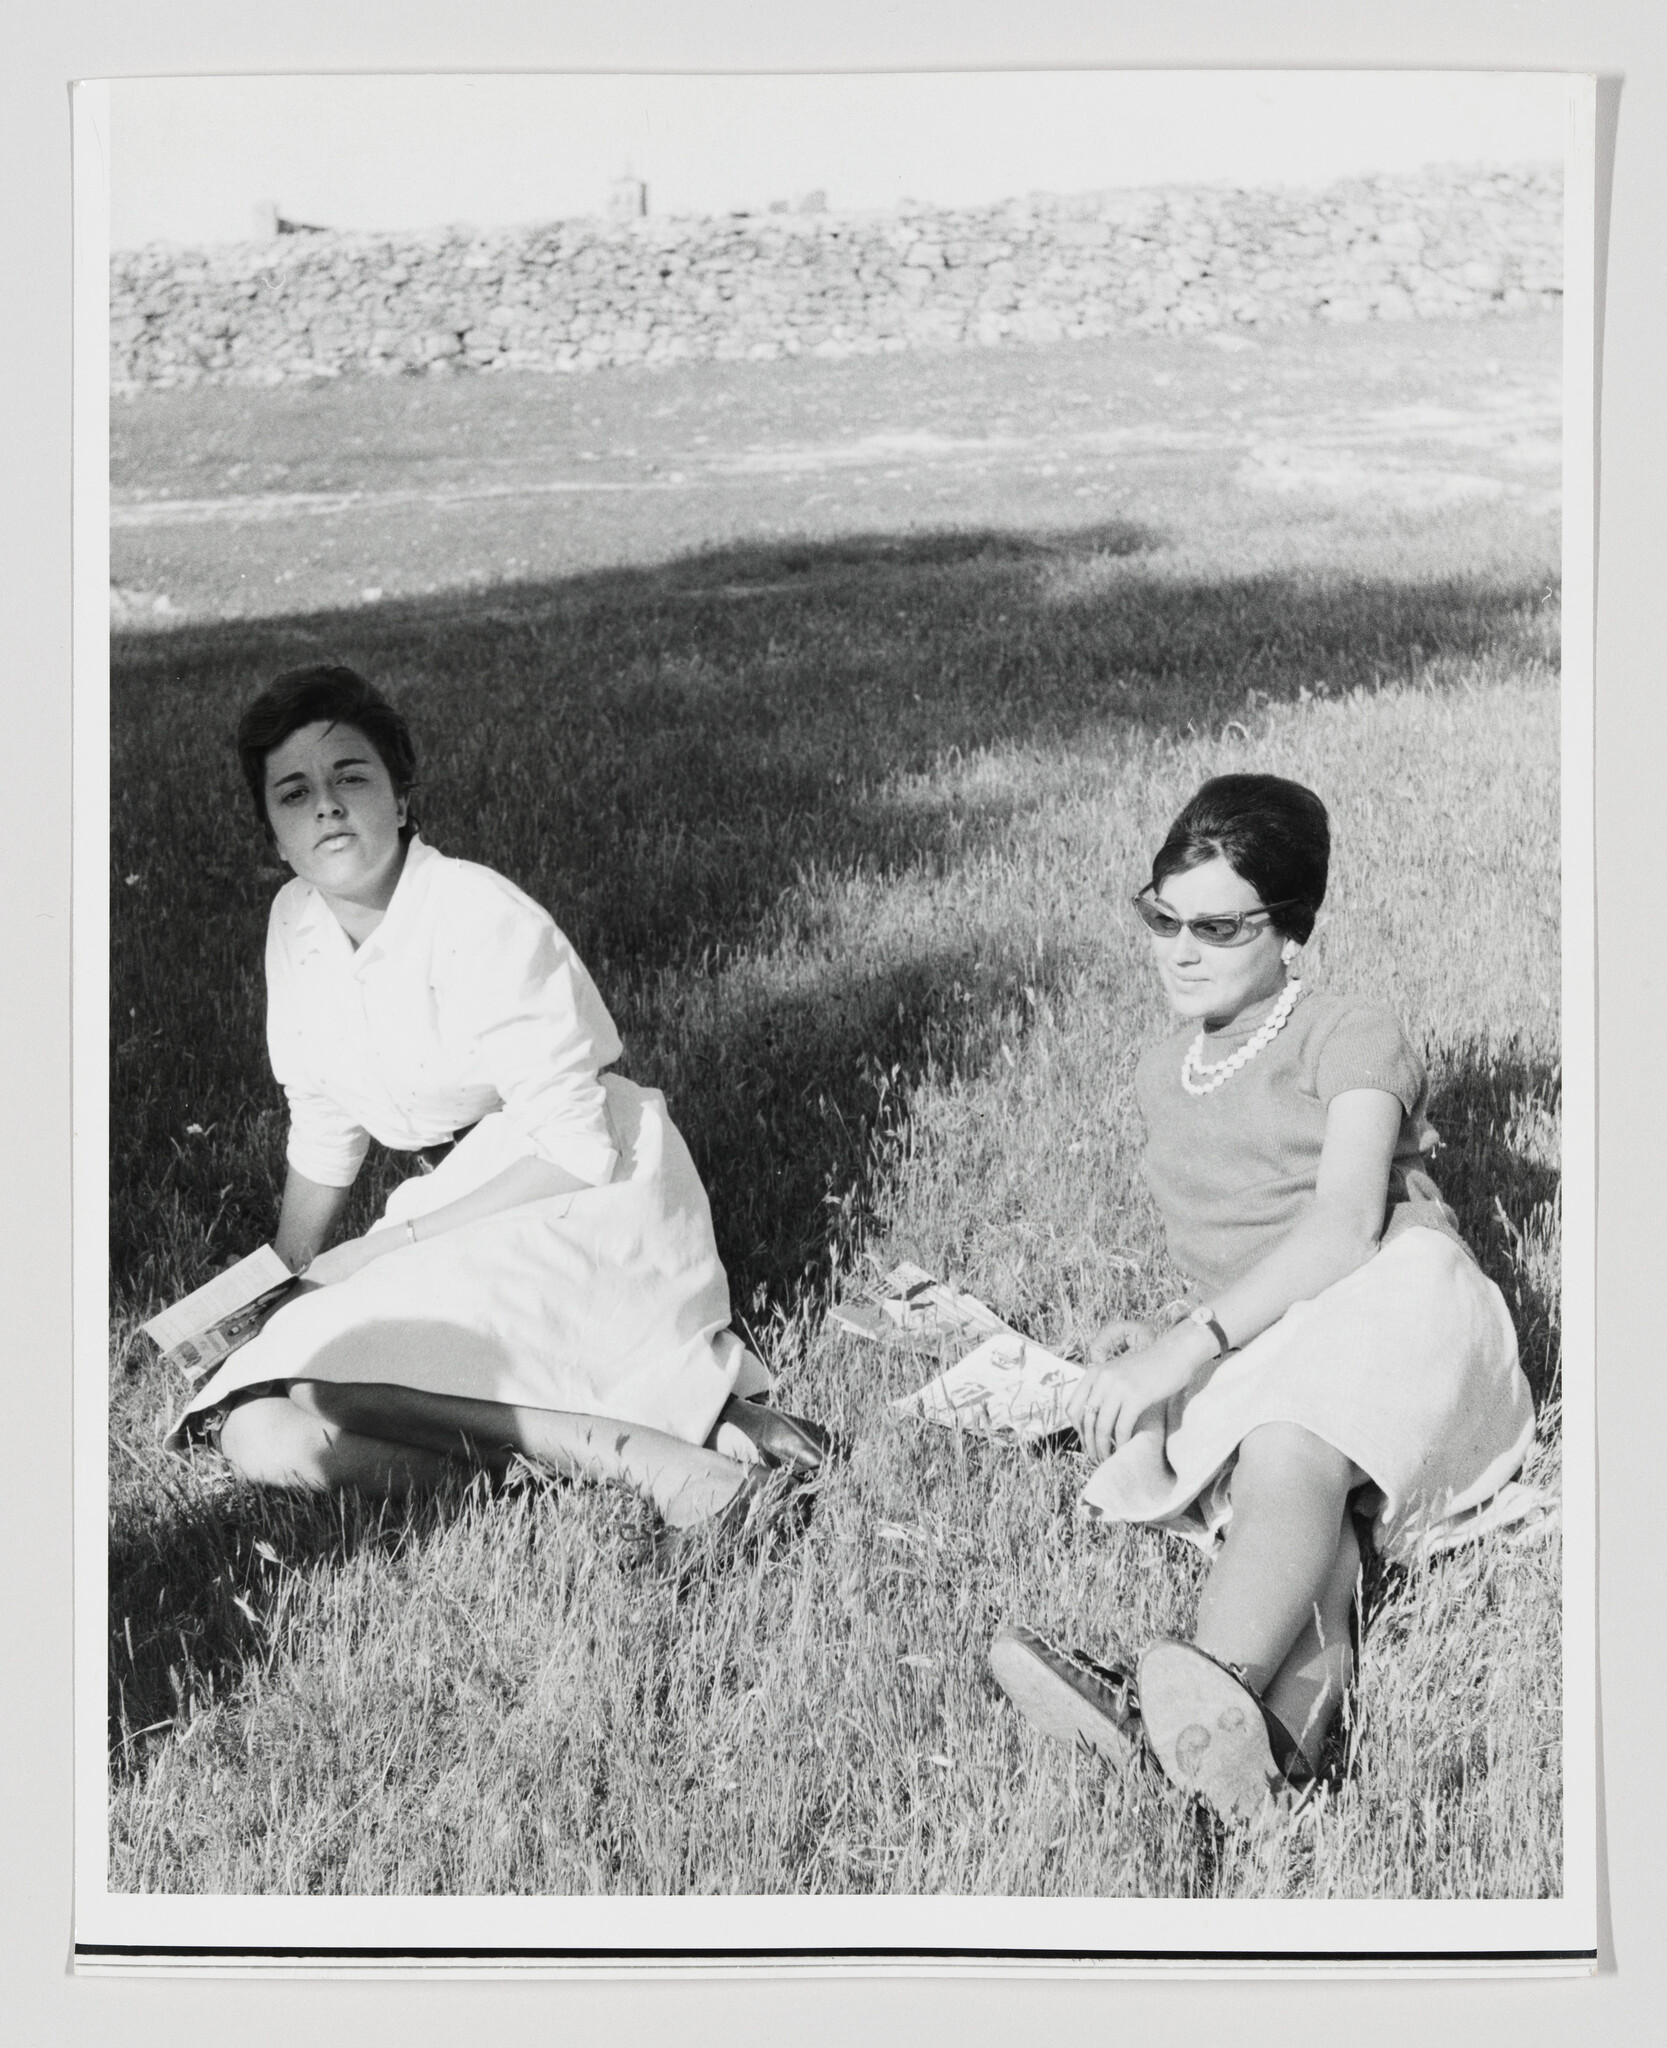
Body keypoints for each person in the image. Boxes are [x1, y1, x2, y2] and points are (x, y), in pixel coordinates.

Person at [989, 773, 1535, 1820]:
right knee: (1306, 1532)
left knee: (1289, 1446)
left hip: (1393, 1295)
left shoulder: (1346, 1027)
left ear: (1289, 929)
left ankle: (1188, 1692)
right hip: (1281, 1331)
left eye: (1214, 925)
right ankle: (1274, 1756)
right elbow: (1230, 1251)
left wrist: (1183, 1346)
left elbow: (1341, 1225)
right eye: (1160, 915)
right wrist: (1156, 1333)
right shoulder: (1161, 1072)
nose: (1177, 948)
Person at [169, 664, 826, 1530]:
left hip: (572, 1189)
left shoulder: (478, 914)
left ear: (401, 802)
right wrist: (287, 1285)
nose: (326, 805)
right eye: (294, 794)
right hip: (454, 1197)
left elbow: (574, 1148)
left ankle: (662, 1466)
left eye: (351, 778)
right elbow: (324, 1122)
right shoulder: (294, 924)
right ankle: (558, 1491)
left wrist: (381, 1248)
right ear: (277, 840)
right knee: (261, 1432)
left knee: (328, 1377)